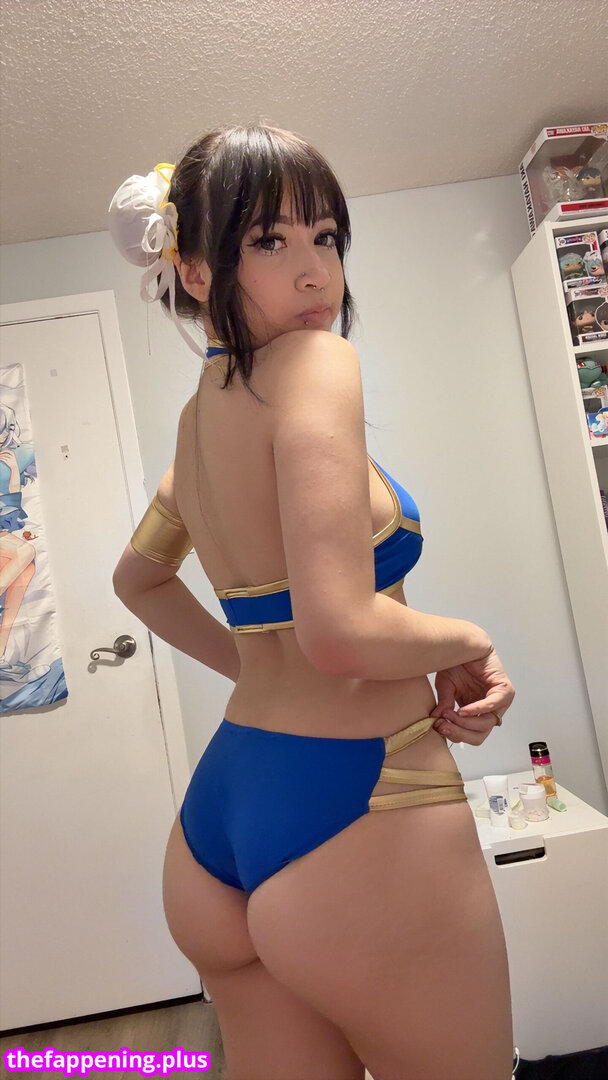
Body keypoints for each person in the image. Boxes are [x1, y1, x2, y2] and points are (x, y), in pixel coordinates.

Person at [109, 125, 518, 1080]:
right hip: (360, 803)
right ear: (196, 271)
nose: (313, 272)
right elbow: (342, 632)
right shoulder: (318, 365)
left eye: (325, 237)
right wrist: (469, 637)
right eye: (268, 241)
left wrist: (252, 666)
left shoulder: (195, 425)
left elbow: (138, 581)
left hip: (222, 816)